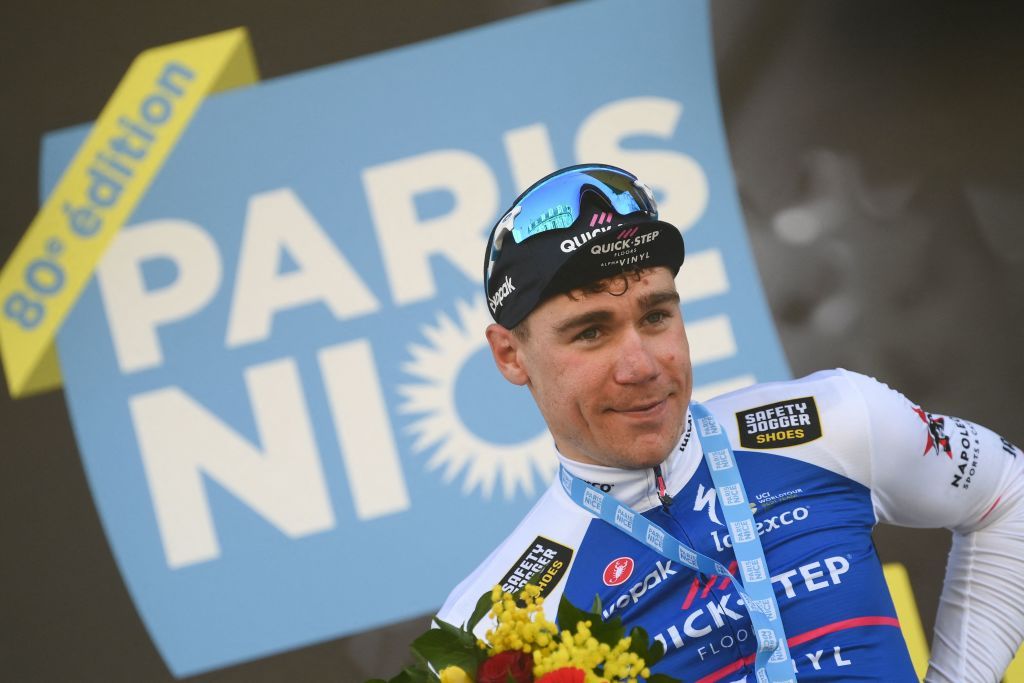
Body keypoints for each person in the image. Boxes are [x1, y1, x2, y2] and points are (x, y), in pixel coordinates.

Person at [436, 164, 1024, 682]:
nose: (641, 366)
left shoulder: (833, 422)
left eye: (657, 314)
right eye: (591, 332)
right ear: (511, 355)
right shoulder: (483, 630)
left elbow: (1008, 494)